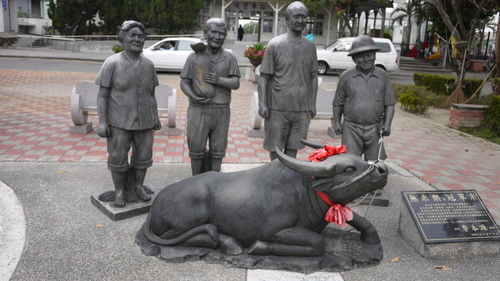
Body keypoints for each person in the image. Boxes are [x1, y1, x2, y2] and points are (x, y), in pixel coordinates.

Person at [96, 20, 161, 207]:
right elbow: (102, 95)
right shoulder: (112, 62)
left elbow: (151, 94)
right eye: (132, 35)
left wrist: (155, 117)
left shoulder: (148, 64)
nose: (137, 39)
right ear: (122, 38)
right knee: (117, 157)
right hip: (119, 122)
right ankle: (119, 190)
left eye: (141, 36)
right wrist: (102, 122)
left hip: (145, 121)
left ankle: (138, 186)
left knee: (143, 157)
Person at [258, 1, 318, 160]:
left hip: (302, 107)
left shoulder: (310, 47)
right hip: (277, 107)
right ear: (287, 19)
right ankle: (275, 177)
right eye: (296, 17)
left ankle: (288, 177)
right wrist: (263, 103)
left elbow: (313, 77)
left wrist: (312, 103)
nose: (300, 21)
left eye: (303, 17)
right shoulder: (275, 44)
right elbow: (264, 76)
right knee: (275, 147)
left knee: (294, 146)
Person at [180, 18, 240, 175]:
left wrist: (219, 80)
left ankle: (215, 180)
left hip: (221, 109)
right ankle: (195, 180)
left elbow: (236, 83)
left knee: (218, 148)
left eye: (222, 34)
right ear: (205, 33)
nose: (218, 37)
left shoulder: (230, 58)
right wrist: (192, 95)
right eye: (214, 32)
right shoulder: (194, 57)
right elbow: (184, 82)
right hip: (198, 108)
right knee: (196, 147)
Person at [332, 35, 395, 161]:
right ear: (354, 59)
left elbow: (390, 104)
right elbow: (338, 103)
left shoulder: (383, 76)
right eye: (360, 56)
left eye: (369, 55)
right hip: (351, 128)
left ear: (375, 55)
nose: (366, 59)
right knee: (350, 162)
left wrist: (387, 124)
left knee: (375, 164)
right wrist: (337, 122)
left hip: (375, 128)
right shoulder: (346, 77)